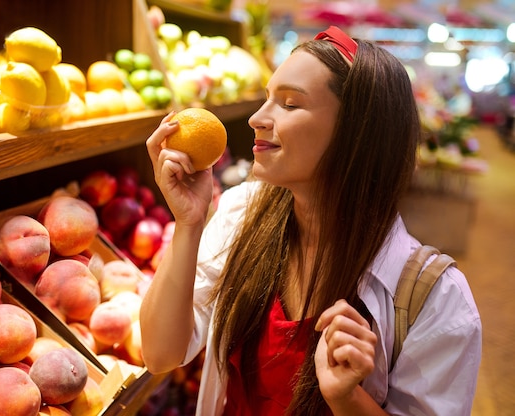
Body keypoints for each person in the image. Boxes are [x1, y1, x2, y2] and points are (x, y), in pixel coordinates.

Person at [140, 25, 482, 416]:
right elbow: (160, 353)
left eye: (288, 104)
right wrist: (188, 223)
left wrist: (348, 399)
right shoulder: (241, 216)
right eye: (267, 98)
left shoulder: (437, 301)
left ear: (356, 133)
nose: (256, 118)